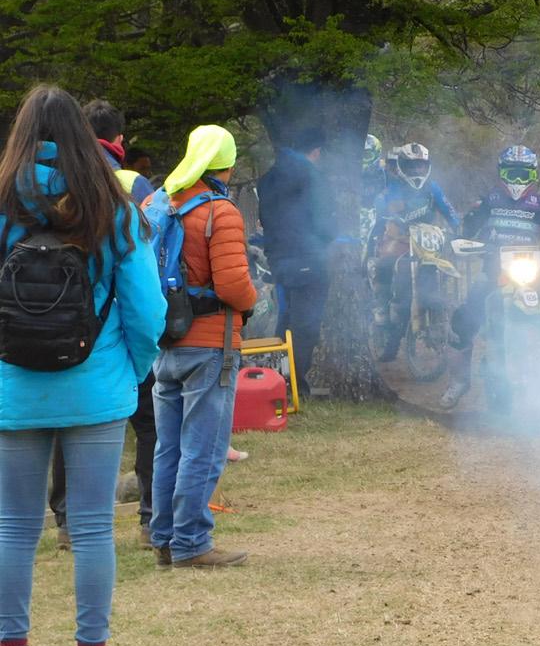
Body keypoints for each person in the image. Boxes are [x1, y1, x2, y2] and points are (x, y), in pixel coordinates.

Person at [0, 85, 166, 646]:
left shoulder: (2, 202)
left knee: (14, 528)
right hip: (96, 389)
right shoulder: (110, 206)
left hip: (13, 387)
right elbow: (147, 310)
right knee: (93, 529)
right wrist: (129, 371)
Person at [48, 99, 161, 551]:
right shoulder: (128, 185)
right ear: (120, 140)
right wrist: (140, 359)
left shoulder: (49, 184)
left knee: (62, 423)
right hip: (114, 341)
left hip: (51, 334)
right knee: (149, 425)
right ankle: (151, 517)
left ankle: (64, 520)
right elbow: (141, 287)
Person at [149, 125, 257, 569]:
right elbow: (233, 286)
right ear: (226, 165)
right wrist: (253, 301)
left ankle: (163, 539)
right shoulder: (220, 211)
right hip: (210, 345)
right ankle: (191, 543)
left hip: (165, 344)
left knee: (168, 447)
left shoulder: (159, 204)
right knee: (204, 448)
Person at [439, 144, 540, 409]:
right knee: (464, 319)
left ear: (533, 175)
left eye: (523, 174)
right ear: (502, 173)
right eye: (512, 173)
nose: (517, 180)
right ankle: (459, 381)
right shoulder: (490, 200)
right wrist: (466, 235)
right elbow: (468, 229)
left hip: (531, 278)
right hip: (493, 273)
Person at [257, 124, 335, 398]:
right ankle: (295, 385)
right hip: (308, 258)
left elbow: (265, 219)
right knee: (305, 325)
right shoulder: (313, 176)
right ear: (317, 151)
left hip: (278, 259)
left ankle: (277, 380)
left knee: (286, 318)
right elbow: (324, 222)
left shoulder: (268, 178)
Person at [370, 142, 461, 362]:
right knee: (384, 264)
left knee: (438, 270)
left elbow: (448, 209)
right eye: (412, 166)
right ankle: (381, 306)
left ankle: (442, 316)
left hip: (428, 242)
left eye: (421, 165)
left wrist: (457, 227)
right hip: (399, 239)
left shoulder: (432, 188)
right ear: (402, 166)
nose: (417, 170)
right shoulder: (393, 188)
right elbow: (381, 204)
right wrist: (386, 214)